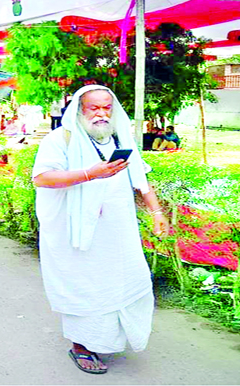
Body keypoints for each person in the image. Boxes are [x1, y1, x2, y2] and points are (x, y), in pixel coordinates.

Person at [31, 85, 169, 375]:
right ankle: (82, 344)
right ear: (80, 109)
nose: (101, 113)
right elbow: (42, 178)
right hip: (76, 233)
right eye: (94, 107)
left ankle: (109, 340)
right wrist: (89, 174)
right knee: (87, 285)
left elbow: (140, 178)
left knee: (126, 279)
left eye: (106, 107)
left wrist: (156, 212)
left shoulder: (120, 138)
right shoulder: (60, 139)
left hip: (118, 230)